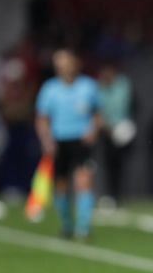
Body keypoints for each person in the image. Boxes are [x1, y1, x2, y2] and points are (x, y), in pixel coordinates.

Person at [35, 49, 102, 239]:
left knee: (84, 181)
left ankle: (83, 227)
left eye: (67, 63)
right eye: (59, 64)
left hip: (80, 140)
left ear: (75, 64)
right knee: (61, 185)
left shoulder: (88, 86)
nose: (64, 68)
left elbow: (98, 115)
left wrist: (93, 130)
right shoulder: (49, 89)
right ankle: (66, 225)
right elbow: (42, 119)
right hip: (59, 141)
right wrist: (46, 140)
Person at [97, 62, 135, 206]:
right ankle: (111, 194)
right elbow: (98, 109)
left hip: (122, 130)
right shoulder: (100, 87)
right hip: (106, 132)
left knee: (120, 164)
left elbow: (127, 106)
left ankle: (120, 194)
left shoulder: (123, 85)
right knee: (109, 165)